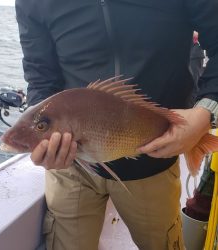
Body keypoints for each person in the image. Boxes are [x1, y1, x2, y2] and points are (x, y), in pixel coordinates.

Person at [15, 0, 218, 249]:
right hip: (71, 165)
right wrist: (45, 139)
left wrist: (205, 110)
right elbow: (40, 75)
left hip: (154, 157)